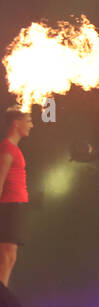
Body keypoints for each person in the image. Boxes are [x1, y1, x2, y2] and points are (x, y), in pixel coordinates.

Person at [0, 109, 33, 287]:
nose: (31, 125)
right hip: (8, 206)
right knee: (6, 256)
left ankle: (2, 297)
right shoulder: (6, 147)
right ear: (16, 123)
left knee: (11, 256)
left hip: (16, 205)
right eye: (28, 120)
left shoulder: (13, 148)